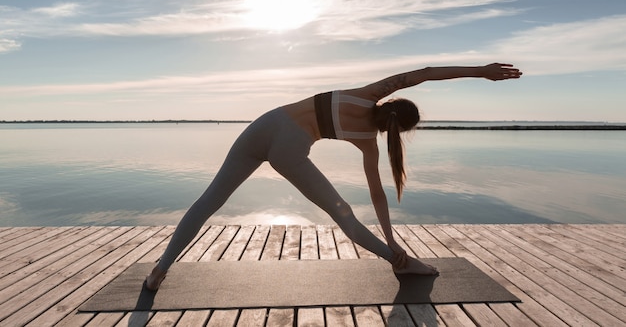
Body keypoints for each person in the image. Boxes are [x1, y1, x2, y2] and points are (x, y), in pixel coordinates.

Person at [145, 63, 522, 290]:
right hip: (290, 150)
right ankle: (401, 262)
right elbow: (376, 196)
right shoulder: (368, 144)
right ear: (400, 130)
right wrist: (391, 238)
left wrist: (480, 72)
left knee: (209, 202)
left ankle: (160, 270)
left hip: (265, 123)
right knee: (344, 217)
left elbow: (422, 75)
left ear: (391, 104)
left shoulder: (370, 93)